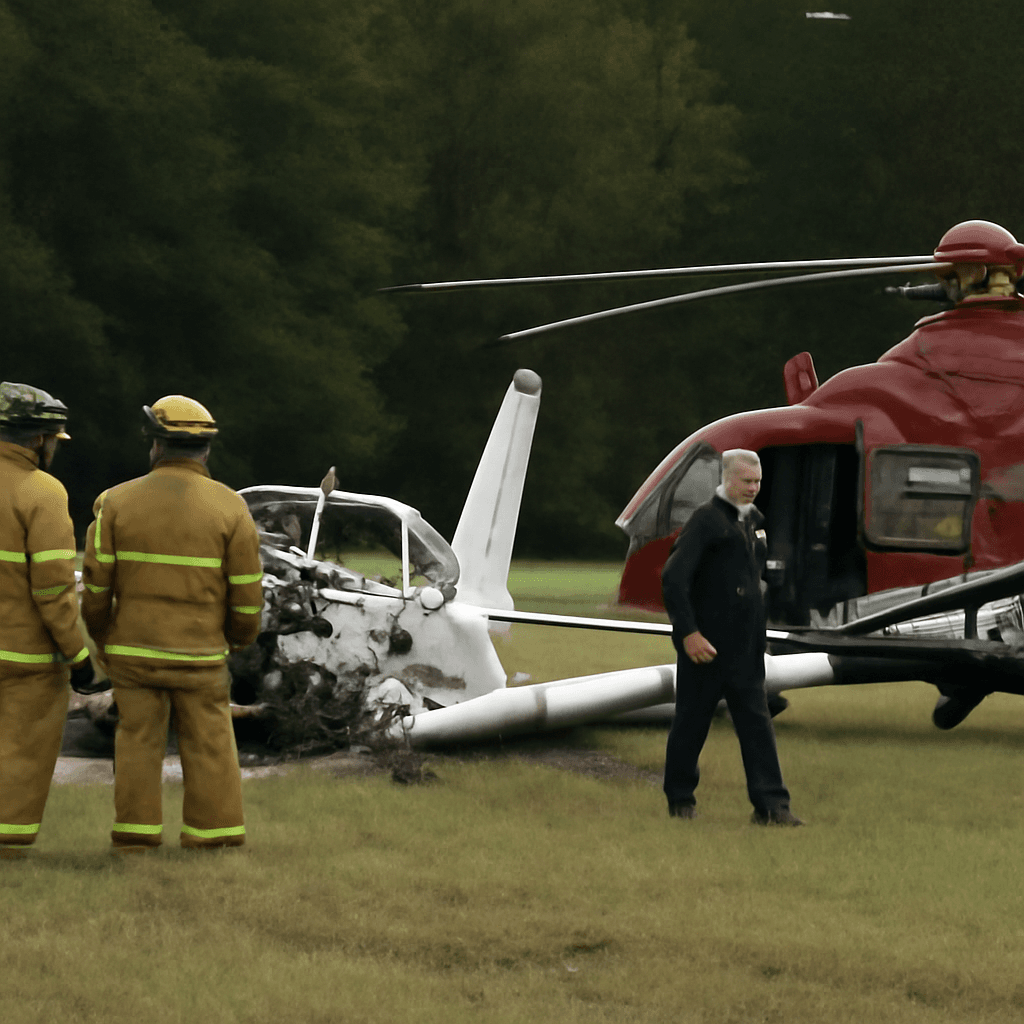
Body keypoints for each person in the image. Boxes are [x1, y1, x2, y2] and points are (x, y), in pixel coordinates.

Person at [81, 395, 263, 852]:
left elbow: (96, 591)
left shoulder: (115, 503)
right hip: (201, 657)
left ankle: (135, 839)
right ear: (206, 450)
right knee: (210, 744)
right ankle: (213, 839)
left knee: (137, 742)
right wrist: (239, 640)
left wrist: (105, 640)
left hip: (133, 654)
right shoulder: (230, 508)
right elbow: (246, 594)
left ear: (156, 446)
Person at [661, 449, 802, 826]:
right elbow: (673, 580)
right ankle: (680, 800)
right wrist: (688, 633)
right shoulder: (705, 522)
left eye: (758, 482)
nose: (754, 488)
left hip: (746, 648)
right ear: (726, 479)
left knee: (757, 724)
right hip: (705, 647)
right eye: (746, 481)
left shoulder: (754, 520)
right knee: (692, 723)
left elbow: (753, 581)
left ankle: (772, 807)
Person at [0, 382, 102, 859]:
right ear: (38, 440)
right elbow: (53, 590)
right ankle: (9, 850)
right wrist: (79, 658)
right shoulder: (43, 492)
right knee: (22, 754)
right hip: (25, 659)